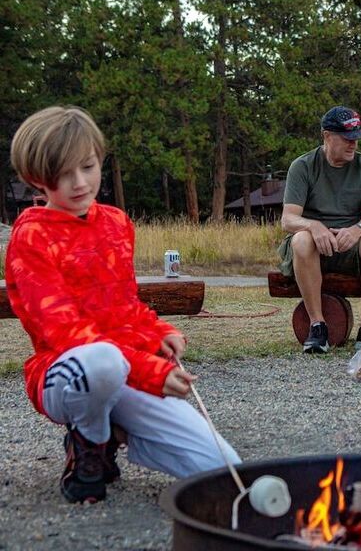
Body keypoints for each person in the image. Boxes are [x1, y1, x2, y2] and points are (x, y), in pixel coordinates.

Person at [5, 106, 240, 504]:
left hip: (124, 368)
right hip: (66, 373)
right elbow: (64, 333)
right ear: (35, 180)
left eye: (88, 167)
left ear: (100, 160)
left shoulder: (115, 222)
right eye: (63, 175)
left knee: (221, 469)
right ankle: (89, 443)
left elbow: (124, 306)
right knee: (101, 363)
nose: (79, 183)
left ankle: (116, 430)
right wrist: (150, 370)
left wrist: (159, 332)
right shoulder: (31, 238)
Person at [277, 106, 361, 352]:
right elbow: (288, 219)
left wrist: (358, 228)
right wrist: (314, 226)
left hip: (351, 245)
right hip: (314, 248)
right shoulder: (303, 166)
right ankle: (317, 326)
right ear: (327, 136)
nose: (353, 144)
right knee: (301, 240)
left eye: (356, 139)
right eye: (347, 138)